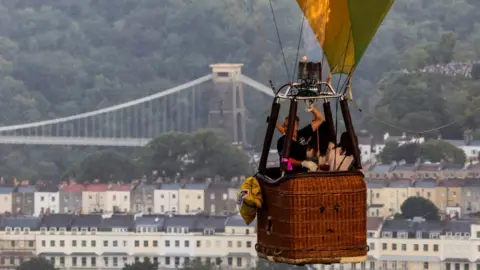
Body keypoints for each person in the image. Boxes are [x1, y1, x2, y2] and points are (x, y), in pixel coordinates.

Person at [275, 105, 325, 172]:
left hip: (304, 172)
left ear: (296, 126)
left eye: (288, 126)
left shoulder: (302, 133)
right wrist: (303, 163)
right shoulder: (282, 141)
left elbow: (320, 119)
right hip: (290, 174)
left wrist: (311, 108)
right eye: (284, 126)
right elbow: (285, 159)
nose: (286, 128)